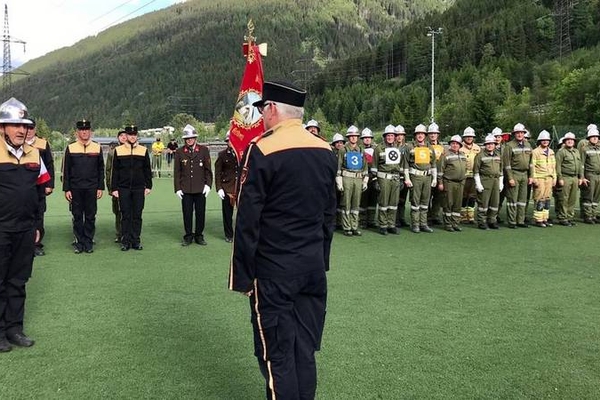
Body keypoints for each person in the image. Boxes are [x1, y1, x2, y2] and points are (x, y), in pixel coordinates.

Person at [229, 80, 336, 400]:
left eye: (263, 110)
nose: (261, 117)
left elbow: (247, 222)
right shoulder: (326, 150)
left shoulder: (261, 149)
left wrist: (243, 276)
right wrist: (321, 260)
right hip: (312, 269)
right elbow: (328, 215)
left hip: (274, 272)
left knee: (278, 358)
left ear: (273, 109)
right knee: (304, 351)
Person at [0, 97, 50, 352]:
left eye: (25, 125)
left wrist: (37, 224)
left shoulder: (34, 153)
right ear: (2, 127)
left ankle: (14, 329)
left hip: (25, 228)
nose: (21, 130)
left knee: (18, 280)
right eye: (15, 125)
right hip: (1, 229)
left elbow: (40, 192)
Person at [62, 120, 105, 253]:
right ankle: (79, 242)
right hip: (75, 188)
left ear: (90, 132)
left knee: (91, 215)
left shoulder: (97, 147)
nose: (84, 132)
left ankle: (88, 241)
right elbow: (66, 170)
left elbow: (101, 169)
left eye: (87, 130)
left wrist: (100, 187)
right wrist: (67, 189)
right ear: (77, 132)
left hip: (92, 187)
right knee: (77, 215)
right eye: (82, 130)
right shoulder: (71, 148)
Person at [110, 125, 152, 251]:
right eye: (130, 134)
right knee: (125, 215)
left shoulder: (143, 150)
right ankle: (125, 240)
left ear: (136, 136)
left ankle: (136, 240)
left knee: (137, 215)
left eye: (134, 134)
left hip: (139, 188)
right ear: (126, 136)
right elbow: (115, 171)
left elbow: (147, 170)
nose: (132, 137)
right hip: (123, 188)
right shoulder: (119, 150)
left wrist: (148, 186)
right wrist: (114, 188)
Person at [174, 124, 212, 246]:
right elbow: (177, 172)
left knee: (201, 213)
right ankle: (188, 236)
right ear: (184, 139)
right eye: (187, 138)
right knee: (187, 213)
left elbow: (208, 170)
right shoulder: (180, 152)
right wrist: (177, 188)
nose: (189, 140)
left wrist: (208, 185)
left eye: (191, 138)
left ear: (195, 138)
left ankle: (199, 236)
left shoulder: (204, 150)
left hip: (200, 188)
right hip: (186, 189)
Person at [25, 118, 54, 256]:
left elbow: (49, 164)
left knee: (39, 215)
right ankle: (24, 244)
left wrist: (49, 184)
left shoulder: (43, 143)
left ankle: (37, 244)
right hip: (24, 186)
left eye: (31, 128)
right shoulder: (18, 143)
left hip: (39, 186)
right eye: (27, 128)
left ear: (35, 129)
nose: (29, 131)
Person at [403, 124, 437, 233]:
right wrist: (407, 178)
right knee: (415, 201)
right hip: (415, 177)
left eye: (422, 134)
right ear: (415, 135)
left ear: (425, 135)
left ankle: (423, 224)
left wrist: (435, 178)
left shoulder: (429, 147)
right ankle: (415, 224)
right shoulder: (410, 146)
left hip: (427, 177)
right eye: (418, 134)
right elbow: (406, 164)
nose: (420, 136)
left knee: (425, 201)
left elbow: (433, 164)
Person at [337, 125, 368, 236]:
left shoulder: (361, 150)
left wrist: (365, 181)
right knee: (346, 203)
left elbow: (365, 167)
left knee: (356, 203)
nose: (353, 138)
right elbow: (339, 166)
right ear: (348, 137)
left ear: (358, 137)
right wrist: (339, 181)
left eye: (355, 136)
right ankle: (347, 227)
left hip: (358, 178)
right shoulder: (343, 150)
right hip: (347, 178)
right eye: (351, 136)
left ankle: (354, 226)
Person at [372, 125, 402, 234]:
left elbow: (401, 165)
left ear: (395, 137)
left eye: (392, 135)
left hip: (396, 178)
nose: (390, 137)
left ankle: (391, 224)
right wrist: (375, 180)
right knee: (383, 202)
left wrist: (402, 178)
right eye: (388, 135)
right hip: (383, 178)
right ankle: (383, 225)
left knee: (394, 203)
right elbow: (374, 166)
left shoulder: (398, 148)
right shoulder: (378, 148)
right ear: (385, 137)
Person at [502, 123, 533, 228]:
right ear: (514, 134)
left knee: (522, 200)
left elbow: (531, 163)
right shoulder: (509, 146)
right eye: (517, 133)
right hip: (514, 173)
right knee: (512, 200)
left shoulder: (528, 145)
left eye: (521, 133)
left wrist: (531, 176)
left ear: (524, 134)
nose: (520, 134)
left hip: (525, 174)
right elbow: (507, 164)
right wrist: (510, 178)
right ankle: (512, 221)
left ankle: (521, 220)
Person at [473, 134, 503, 230]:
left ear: (495, 145)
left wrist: (501, 182)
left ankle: (492, 221)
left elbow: (501, 170)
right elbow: (476, 171)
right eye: (488, 144)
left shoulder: (498, 155)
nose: (490, 145)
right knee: (483, 203)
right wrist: (478, 183)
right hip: (485, 180)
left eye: (492, 144)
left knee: (495, 202)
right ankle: (482, 222)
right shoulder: (480, 155)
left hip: (496, 180)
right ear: (485, 145)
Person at [438, 135, 467, 232]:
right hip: (449, 182)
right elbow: (440, 170)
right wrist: (440, 183)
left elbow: (464, 169)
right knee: (448, 203)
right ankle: (448, 224)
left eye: (456, 144)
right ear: (450, 144)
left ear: (460, 145)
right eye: (453, 143)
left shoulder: (463, 155)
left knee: (457, 204)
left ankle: (455, 223)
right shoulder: (445, 155)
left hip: (460, 183)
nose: (455, 145)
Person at [530, 130, 556, 227]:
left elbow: (554, 166)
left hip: (549, 178)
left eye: (547, 140)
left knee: (547, 199)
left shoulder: (552, 152)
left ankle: (545, 218)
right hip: (540, 178)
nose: (545, 141)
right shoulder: (535, 152)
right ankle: (538, 219)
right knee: (539, 199)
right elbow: (532, 166)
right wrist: (534, 178)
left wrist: (554, 178)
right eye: (543, 140)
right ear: (540, 141)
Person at [215, 131, 238, 243]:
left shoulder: (242, 153)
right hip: (227, 188)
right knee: (227, 214)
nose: (231, 143)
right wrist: (219, 188)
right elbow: (218, 172)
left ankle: (241, 234)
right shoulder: (222, 155)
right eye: (229, 141)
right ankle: (229, 235)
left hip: (241, 188)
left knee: (243, 214)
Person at [555, 132, 582, 226]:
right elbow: (557, 166)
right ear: (565, 141)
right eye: (568, 140)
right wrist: (560, 178)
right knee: (564, 198)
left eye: (572, 140)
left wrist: (580, 177)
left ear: (574, 142)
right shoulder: (561, 152)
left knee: (572, 199)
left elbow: (580, 165)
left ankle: (570, 217)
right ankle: (563, 217)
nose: (570, 141)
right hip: (565, 177)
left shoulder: (576, 151)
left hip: (574, 178)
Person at [106, 130, 128, 243]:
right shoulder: (112, 152)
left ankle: (129, 233)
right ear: (118, 138)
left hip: (130, 187)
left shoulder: (133, 150)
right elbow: (108, 170)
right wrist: (110, 188)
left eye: (125, 135)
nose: (124, 137)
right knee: (118, 211)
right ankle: (120, 234)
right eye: (121, 136)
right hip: (117, 186)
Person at [459, 126, 480, 224]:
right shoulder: (460, 148)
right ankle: (463, 217)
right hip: (463, 177)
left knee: (472, 197)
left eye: (471, 137)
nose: (469, 138)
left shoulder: (477, 148)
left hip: (474, 177)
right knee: (463, 196)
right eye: (467, 136)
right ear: (464, 138)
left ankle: (470, 217)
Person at [580, 128, 600, 224]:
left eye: (596, 137)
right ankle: (587, 216)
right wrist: (582, 177)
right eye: (593, 137)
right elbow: (582, 164)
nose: (595, 139)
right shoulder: (585, 149)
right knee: (588, 196)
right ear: (589, 138)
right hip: (590, 175)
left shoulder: (599, 148)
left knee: (596, 197)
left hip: (599, 175)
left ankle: (593, 214)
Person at [360, 127, 378, 229]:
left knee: (373, 200)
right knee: (363, 200)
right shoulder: (359, 149)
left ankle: (371, 220)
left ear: (371, 139)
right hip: (363, 178)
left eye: (369, 138)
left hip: (374, 177)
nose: (367, 139)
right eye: (365, 138)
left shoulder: (376, 149)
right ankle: (362, 221)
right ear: (362, 139)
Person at [427, 122, 445, 225]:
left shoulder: (443, 147)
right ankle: (428, 217)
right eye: (431, 133)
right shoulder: (425, 146)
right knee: (427, 197)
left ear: (438, 134)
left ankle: (435, 216)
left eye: (434, 133)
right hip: (429, 175)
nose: (433, 135)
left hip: (440, 175)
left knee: (438, 197)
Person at [394, 124, 409, 227]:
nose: (399, 137)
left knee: (403, 199)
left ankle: (402, 218)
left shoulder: (407, 147)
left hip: (405, 176)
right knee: (395, 199)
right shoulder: (392, 147)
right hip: (395, 175)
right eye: (397, 135)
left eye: (401, 135)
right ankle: (395, 219)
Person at [331, 133, 345, 230]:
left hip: (344, 179)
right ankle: (334, 222)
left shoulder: (346, 152)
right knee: (334, 201)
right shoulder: (331, 153)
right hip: (333, 180)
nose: (339, 144)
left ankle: (340, 222)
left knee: (343, 201)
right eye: (337, 143)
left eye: (341, 142)